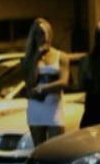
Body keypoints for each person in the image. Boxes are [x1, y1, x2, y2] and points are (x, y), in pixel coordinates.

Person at [21, 17, 69, 146]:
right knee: (39, 147)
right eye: (39, 33)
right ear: (34, 36)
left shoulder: (61, 56)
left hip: (54, 107)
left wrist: (43, 88)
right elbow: (30, 82)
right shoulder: (28, 58)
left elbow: (64, 82)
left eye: (45, 32)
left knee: (56, 147)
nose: (44, 37)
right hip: (36, 107)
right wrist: (36, 59)